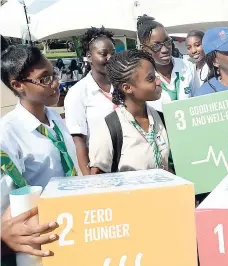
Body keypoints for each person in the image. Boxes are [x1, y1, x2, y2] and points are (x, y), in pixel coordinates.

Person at [1, 45, 78, 263]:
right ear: (17, 85)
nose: (56, 83)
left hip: (68, 227)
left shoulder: (53, 118)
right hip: (36, 243)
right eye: (44, 79)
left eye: (54, 74)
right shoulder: (8, 134)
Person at [88, 50, 171, 173]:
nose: (158, 82)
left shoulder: (162, 119)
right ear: (127, 87)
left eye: (156, 76)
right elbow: (97, 181)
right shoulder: (109, 128)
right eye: (150, 78)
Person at [64, 26, 116, 175]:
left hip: (128, 165)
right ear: (89, 56)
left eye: (113, 53)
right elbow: (78, 140)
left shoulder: (123, 86)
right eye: (103, 54)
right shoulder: (78, 93)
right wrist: (89, 181)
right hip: (100, 171)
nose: (110, 58)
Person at [137, 15, 200, 111]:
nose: (165, 49)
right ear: (144, 49)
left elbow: (198, 101)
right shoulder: (141, 77)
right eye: (156, 45)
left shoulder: (188, 67)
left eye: (167, 42)